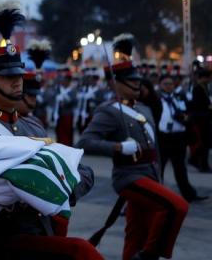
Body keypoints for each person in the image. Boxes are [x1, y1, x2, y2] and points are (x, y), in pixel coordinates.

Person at [0, 0, 99, 260]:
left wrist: (61, 189)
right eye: (7, 77)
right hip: (4, 237)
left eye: (17, 75)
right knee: (82, 253)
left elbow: (79, 170)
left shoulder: (30, 123)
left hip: (42, 228)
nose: (16, 83)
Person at [78, 33, 188, 260]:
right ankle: (149, 255)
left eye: (138, 79)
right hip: (129, 177)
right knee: (174, 206)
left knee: (136, 233)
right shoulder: (108, 110)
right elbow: (85, 142)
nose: (138, 83)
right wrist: (117, 147)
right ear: (114, 83)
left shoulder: (144, 109)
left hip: (150, 175)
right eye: (132, 80)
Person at [156, 72, 207, 202]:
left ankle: (189, 194)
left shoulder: (179, 97)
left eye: (171, 84)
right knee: (159, 168)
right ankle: (156, 193)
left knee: (180, 168)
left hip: (179, 137)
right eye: (165, 84)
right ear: (160, 85)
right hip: (163, 138)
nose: (169, 86)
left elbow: (189, 111)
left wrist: (186, 117)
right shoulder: (156, 99)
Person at [188, 68, 211, 172]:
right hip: (200, 119)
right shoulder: (197, 88)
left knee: (205, 143)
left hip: (205, 118)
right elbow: (198, 105)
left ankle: (199, 162)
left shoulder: (204, 87)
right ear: (204, 78)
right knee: (203, 143)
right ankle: (199, 163)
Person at [54, 67, 78, 146]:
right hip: (59, 114)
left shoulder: (72, 90)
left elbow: (73, 101)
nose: (63, 81)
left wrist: (64, 99)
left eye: (65, 79)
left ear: (68, 81)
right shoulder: (58, 89)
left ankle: (68, 146)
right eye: (63, 79)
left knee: (68, 132)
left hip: (68, 114)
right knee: (59, 131)